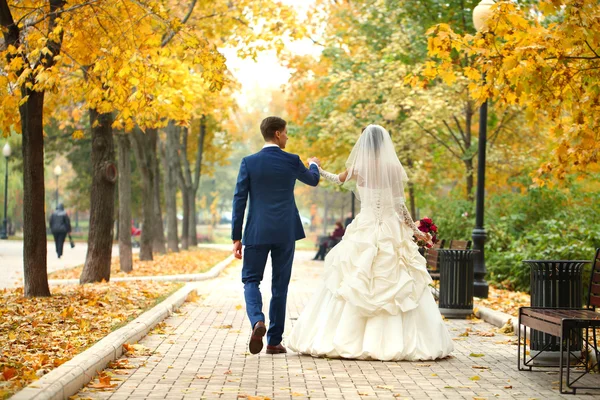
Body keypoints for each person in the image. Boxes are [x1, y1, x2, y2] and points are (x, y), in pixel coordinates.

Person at [287, 125, 454, 361]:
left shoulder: (358, 166)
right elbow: (400, 207)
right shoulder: (393, 167)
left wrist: (318, 168)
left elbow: (337, 179)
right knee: (397, 280)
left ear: (364, 142)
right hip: (389, 229)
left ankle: (342, 338)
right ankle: (397, 342)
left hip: (364, 227)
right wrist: (416, 231)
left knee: (354, 278)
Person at [231, 116, 320, 355]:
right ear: (278, 134)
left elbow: (239, 200)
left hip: (257, 231)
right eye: (286, 132)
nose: (288, 136)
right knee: (280, 286)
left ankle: (257, 321)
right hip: (285, 231)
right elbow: (313, 180)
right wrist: (314, 164)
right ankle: (273, 341)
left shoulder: (249, 162)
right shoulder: (292, 160)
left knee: (251, 280)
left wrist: (236, 237)